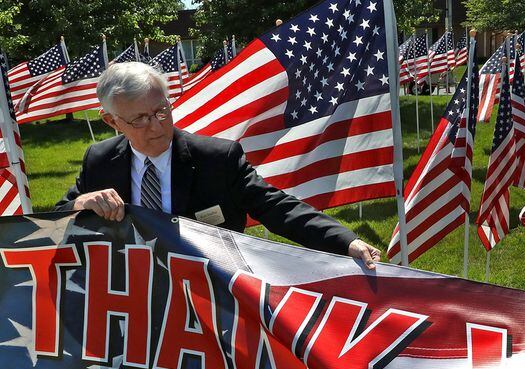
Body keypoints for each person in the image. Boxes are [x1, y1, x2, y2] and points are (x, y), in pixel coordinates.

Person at [55, 62, 380, 269]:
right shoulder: (99, 161)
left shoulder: (216, 159)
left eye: (161, 111)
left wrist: (343, 241)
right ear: (111, 120)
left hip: (211, 296)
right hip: (133, 301)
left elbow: (275, 206)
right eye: (139, 119)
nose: (156, 126)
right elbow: (53, 224)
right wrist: (80, 205)